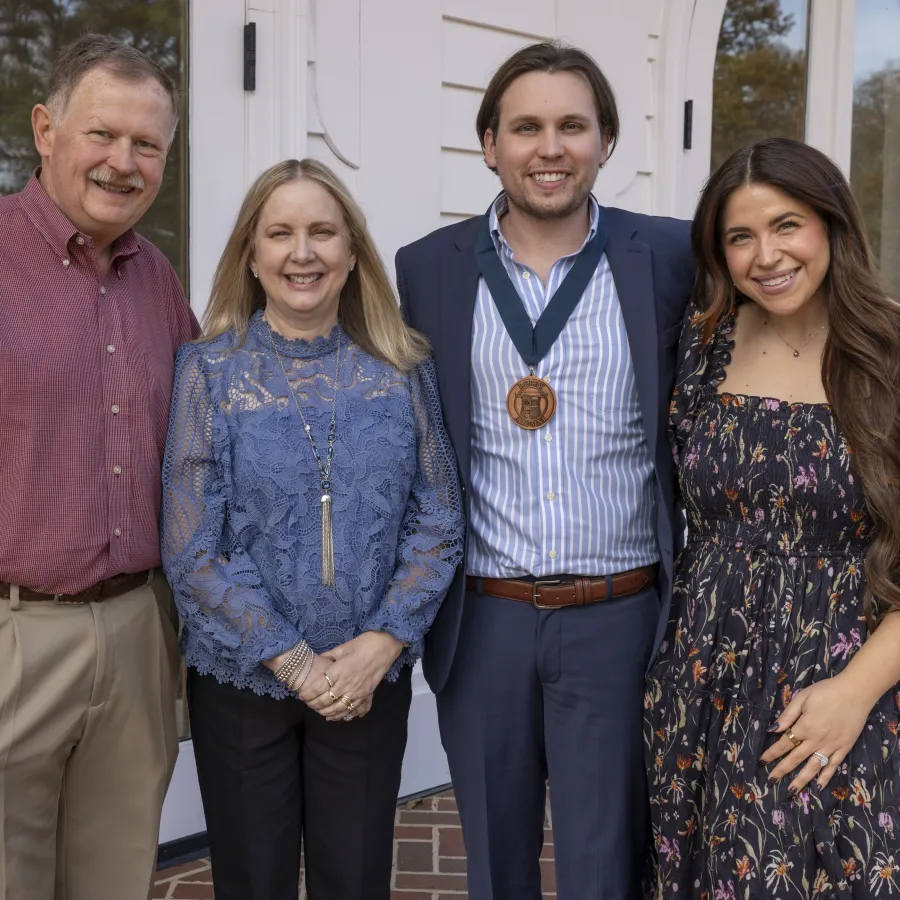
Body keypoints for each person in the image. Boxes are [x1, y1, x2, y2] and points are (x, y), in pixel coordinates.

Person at [395, 41, 695, 900]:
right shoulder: (427, 268)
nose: (550, 147)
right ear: (489, 144)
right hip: (485, 616)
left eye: (573, 125)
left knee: (606, 867)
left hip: (619, 617)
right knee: (494, 865)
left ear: (605, 141)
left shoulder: (671, 257)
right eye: (526, 127)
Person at [160, 157, 464, 900]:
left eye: (322, 232)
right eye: (282, 233)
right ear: (253, 256)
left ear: (351, 252)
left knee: (355, 877)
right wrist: (294, 664)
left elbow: (440, 516)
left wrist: (383, 643)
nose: (304, 252)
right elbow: (193, 547)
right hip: (242, 683)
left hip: (367, 676)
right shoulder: (208, 371)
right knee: (254, 880)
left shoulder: (402, 367)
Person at [645, 137, 900, 897]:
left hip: (843, 682)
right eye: (740, 236)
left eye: (787, 225)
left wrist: (853, 694)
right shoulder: (699, 345)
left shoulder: (887, 352)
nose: (767, 255)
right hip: (700, 683)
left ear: (830, 225)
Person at [0, 33, 198, 900]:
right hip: (14, 635)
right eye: (102, 134)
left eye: (147, 144)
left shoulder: (158, 280)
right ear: (45, 129)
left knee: (116, 880)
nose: (124, 163)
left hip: (135, 634)